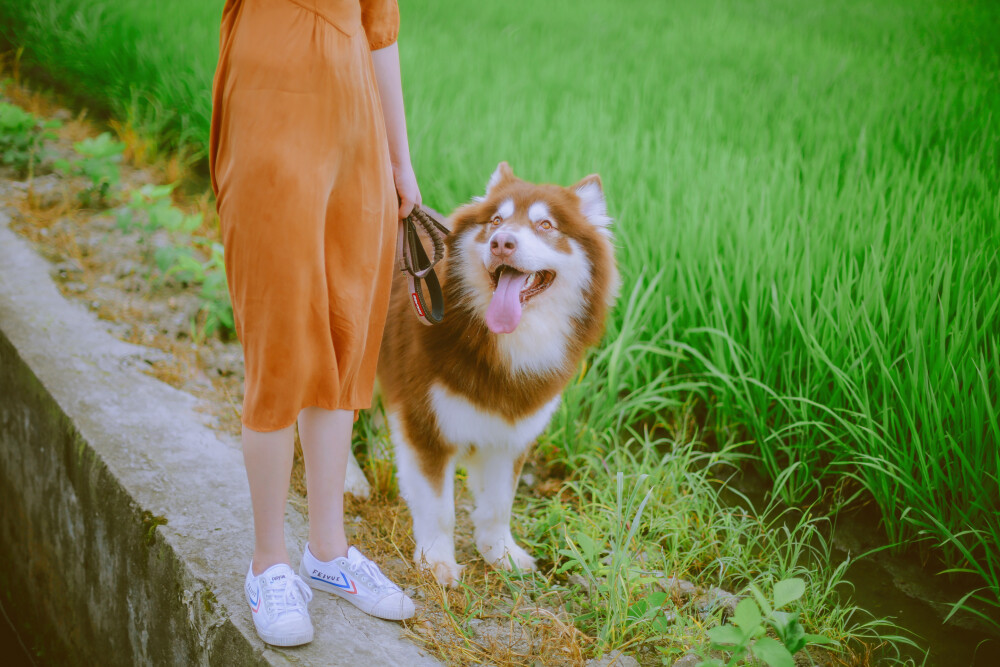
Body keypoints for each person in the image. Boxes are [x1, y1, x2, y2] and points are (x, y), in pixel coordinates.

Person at [209, 0, 420, 647]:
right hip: (270, 99)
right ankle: (268, 561)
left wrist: (398, 157)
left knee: (345, 332)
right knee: (280, 342)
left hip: (355, 116)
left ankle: (328, 552)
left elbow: (378, 25)